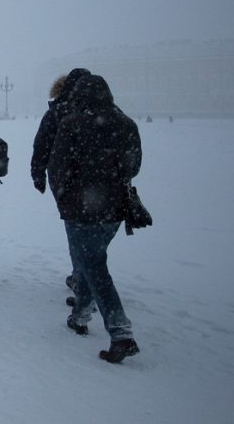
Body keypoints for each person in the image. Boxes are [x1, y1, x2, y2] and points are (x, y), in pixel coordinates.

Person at [48, 74, 142, 363]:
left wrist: (65, 197)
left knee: (93, 266)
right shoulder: (126, 123)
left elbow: (58, 167)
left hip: (81, 208)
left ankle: (120, 332)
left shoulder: (73, 123)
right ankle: (80, 316)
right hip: (114, 208)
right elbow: (133, 166)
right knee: (93, 260)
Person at [30, 67, 91, 291]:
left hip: (68, 183)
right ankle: (89, 274)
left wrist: (38, 173)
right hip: (105, 185)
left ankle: (83, 277)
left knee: (76, 231)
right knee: (93, 235)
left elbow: (42, 144)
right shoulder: (106, 111)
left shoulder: (58, 111)